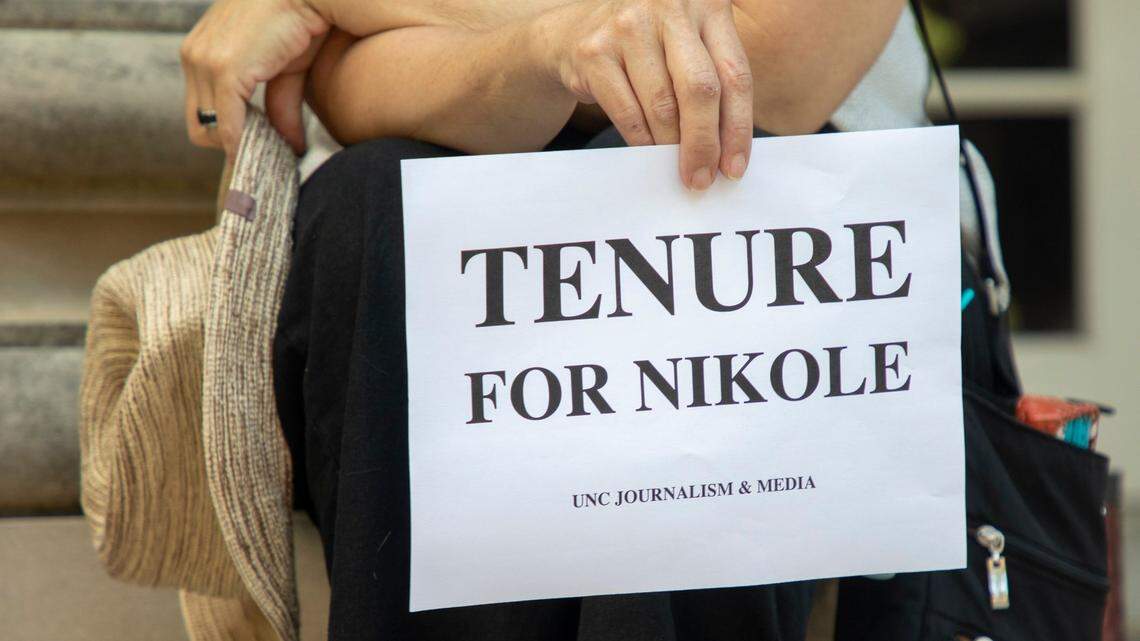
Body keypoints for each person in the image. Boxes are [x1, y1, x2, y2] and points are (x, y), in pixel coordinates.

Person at [180, 1, 928, 639]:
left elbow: (762, 75)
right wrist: (547, 45)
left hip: (782, 230)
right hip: (416, 258)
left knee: (660, 209)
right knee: (380, 197)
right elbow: (351, 86)